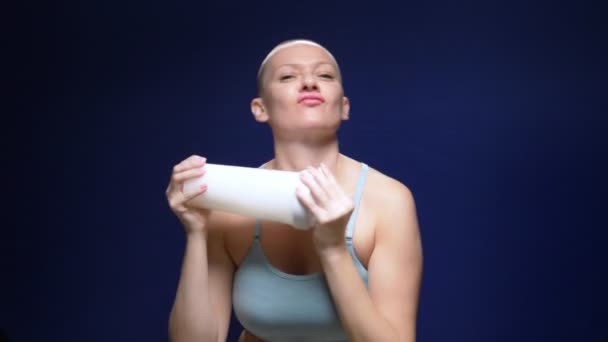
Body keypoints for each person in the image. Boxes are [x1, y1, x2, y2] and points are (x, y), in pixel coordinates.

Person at [166, 39, 423, 342]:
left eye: (325, 75)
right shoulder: (231, 206)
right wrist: (196, 233)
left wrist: (333, 250)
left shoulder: (389, 202)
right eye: (288, 76)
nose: (310, 82)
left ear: (344, 107)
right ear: (260, 109)